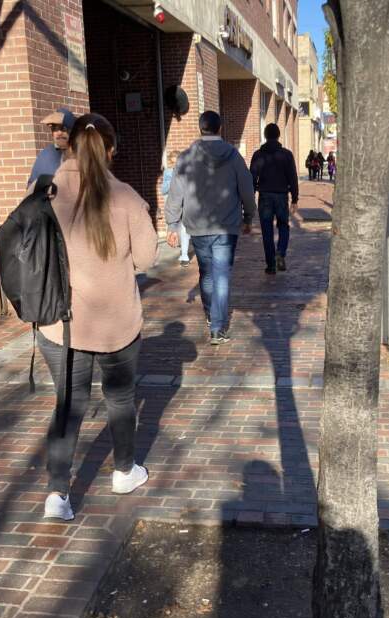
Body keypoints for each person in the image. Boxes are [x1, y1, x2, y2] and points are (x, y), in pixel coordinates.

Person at [38, 113, 159, 523]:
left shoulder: (47, 192)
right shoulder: (125, 196)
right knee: (121, 399)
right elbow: (145, 258)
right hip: (116, 324)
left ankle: (58, 494)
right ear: (110, 151)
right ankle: (124, 471)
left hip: (61, 324)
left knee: (68, 405)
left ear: (68, 146)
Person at [164, 110, 255, 346]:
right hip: (226, 225)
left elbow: (176, 193)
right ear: (220, 128)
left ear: (200, 128)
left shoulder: (186, 157)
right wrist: (249, 216)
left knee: (206, 273)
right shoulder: (233, 155)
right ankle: (218, 327)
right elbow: (246, 187)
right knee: (221, 274)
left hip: (198, 226)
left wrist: (172, 224)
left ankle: (210, 316)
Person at [250, 123, 299, 275]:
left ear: (265, 136)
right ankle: (281, 252)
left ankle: (271, 265)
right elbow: (293, 177)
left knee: (266, 230)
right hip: (281, 196)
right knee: (283, 225)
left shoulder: (258, 154)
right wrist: (295, 198)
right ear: (278, 136)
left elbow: (251, 177)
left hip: (264, 196)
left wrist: (250, 196)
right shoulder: (287, 154)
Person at [28, 107, 77, 187]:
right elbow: (31, 187)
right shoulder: (45, 156)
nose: (59, 133)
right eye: (55, 129)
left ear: (72, 130)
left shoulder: (82, 154)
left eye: (63, 128)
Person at [161, 152, 192, 267]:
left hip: (184, 204)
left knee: (184, 230)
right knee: (177, 229)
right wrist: (172, 180)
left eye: (177, 162)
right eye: (173, 163)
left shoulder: (186, 172)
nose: (175, 165)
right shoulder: (168, 172)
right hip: (173, 204)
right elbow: (163, 190)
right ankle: (182, 249)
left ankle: (184, 255)